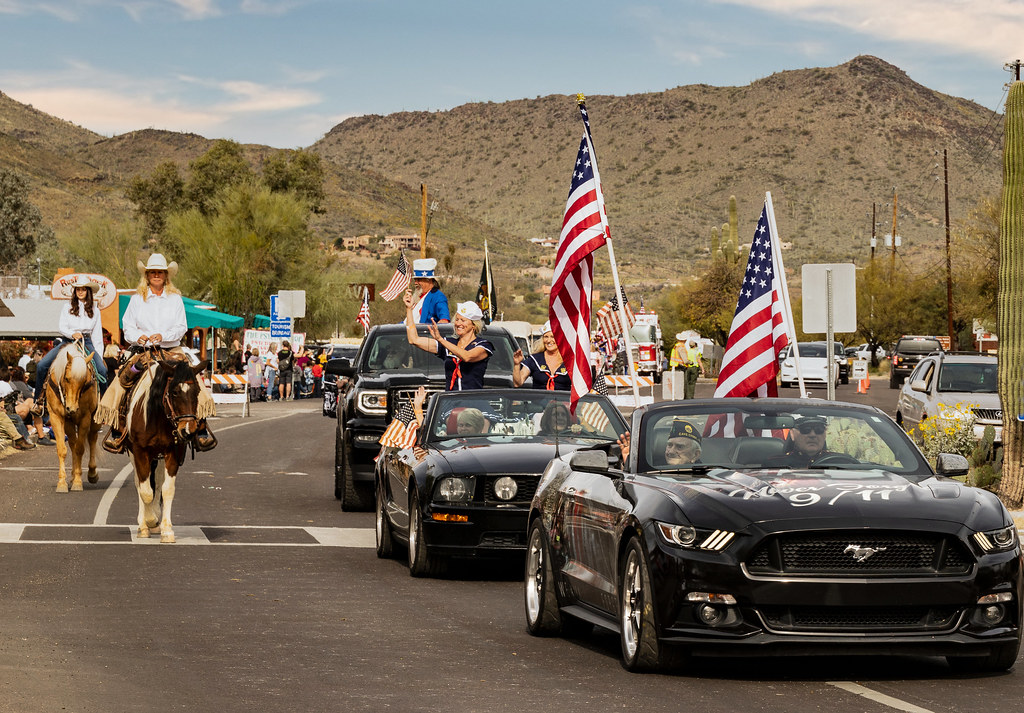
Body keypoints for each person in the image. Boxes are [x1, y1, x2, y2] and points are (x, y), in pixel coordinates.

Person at [98, 253, 216, 453]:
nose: (156, 275)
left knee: (192, 382)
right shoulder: (137, 299)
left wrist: (162, 336)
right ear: (147, 275)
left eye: (159, 272)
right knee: (123, 380)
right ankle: (118, 429)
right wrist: (139, 337)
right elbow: (127, 327)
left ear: (166, 275)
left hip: (171, 349)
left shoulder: (175, 299)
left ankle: (201, 428)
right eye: (152, 272)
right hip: (143, 351)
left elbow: (181, 327)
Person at [32, 276, 108, 415]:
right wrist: (72, 334)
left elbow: (97, 336)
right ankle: (38, 401)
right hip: (67, 341)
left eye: (83, 289)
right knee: (42, 365)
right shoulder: (67, 307)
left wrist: (98, 355)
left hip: (87, 342)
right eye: (78, 289)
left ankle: (105, 406)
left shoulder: (95, 310)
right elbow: (62, 327)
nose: (80, 292)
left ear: (88, 291)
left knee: (102, 370)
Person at [404, 294, 492, 390]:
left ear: (473, 325)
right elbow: (414, 340)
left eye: (463, 320)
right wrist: (409, 309)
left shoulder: (484, 345)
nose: (458, 323)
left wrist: (440, 339)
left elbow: (467, 356)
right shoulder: (449, 343)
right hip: (451, 400)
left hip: (471, 400)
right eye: (457, 319)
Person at [616, 417, 702, 466]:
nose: (671, 451)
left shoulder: (705, 475)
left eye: (680, 447)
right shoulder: (652, 468)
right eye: (669, 445)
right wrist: (630, 462)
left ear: (695, 454)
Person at [513, 321, 570, 390]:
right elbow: (517, 383)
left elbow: (583, 386)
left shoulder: (570, 360)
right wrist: (517, 364)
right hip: (539, 400)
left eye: (552, 336)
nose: (549, 340)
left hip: (563, 400)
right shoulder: (535, 359)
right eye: (546, 337)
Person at [765, 416, 838, 468]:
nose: (812, 435)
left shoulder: (840, 461)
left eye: (819, 430)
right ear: (792, 434)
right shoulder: (775, 464)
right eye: (805, 430)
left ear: (825, 434)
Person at [409, 258, 450, 324]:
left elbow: (444, 319)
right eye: (415, 280)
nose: (415, 283)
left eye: (418, 280)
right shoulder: (417, 297)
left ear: (429, 280)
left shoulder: (438, 297)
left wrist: (443, 321)